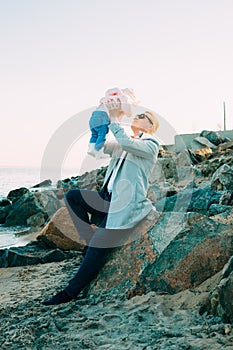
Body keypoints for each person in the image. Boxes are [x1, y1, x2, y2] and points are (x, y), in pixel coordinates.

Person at [42, 100, 159, 306]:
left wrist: (115, 119)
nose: (137, 117)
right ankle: (88, 241)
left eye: (142, 117)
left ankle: (69, 293)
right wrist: (99, 125)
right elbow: (97, 150)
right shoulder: (124, 144)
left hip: (124, 207)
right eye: (137, 115)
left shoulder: (150, 145)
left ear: (151, 126)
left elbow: (127, 143)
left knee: (99, 245)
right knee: (73, 197)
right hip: (107, 200)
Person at [88, 87, 138, 159]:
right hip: (102, 116)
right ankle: (98, 151)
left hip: (94, 115)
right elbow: (128, 112)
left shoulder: (108, 97)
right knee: (102, 135)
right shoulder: (123, 97)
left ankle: (91, 149)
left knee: (94, 134)